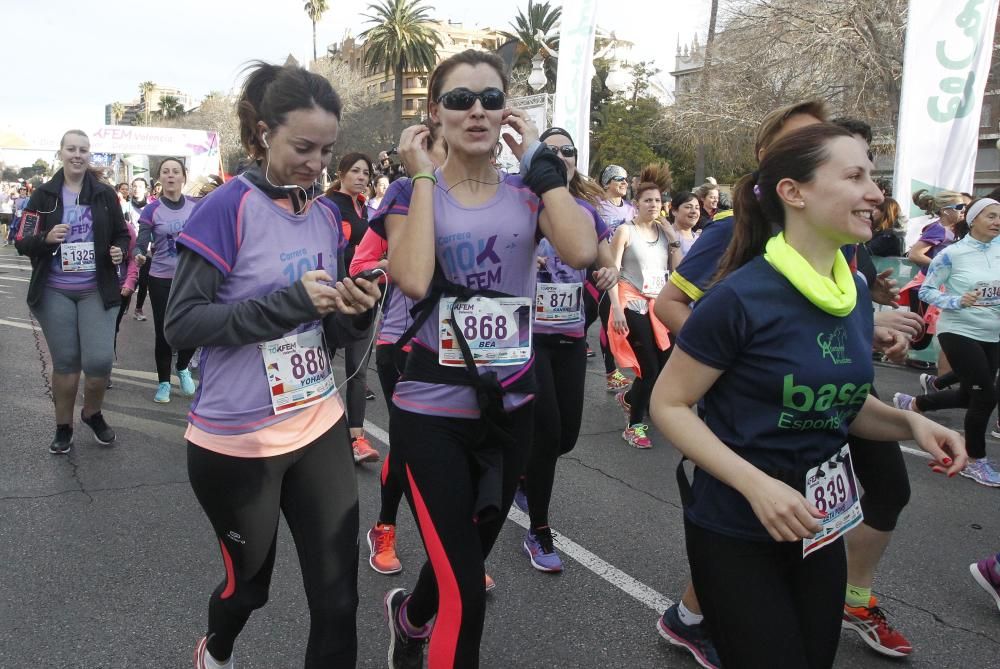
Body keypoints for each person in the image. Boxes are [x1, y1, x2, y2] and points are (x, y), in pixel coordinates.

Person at [650, 122, 966, 669]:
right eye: (854, 175)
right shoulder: (739, 298)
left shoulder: (855, 296)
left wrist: (911, 424)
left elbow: (841, 403)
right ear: (794, 193)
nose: (875, 191)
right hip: (738, 524)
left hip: (821, 522)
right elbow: (668, 405)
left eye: (873, 174)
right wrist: (758, 486)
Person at [370, 49, 597, 668]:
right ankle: (427, 624)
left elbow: (580, 250)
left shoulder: (530, 193)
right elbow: (413, 278)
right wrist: (420, 175)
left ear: (509, 112)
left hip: (510, 407)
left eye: (491, 99)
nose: (477, 111)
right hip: (431, 409)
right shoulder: (410, 193)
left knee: (465, 558)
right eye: (460, 100)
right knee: (467, 595)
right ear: (434, 115)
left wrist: (539, 162)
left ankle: (411, 619)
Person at [163, 61, 381, 669]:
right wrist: (287, 304)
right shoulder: (225, 208)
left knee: (339, 601)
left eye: (327, 150)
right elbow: (182, 324)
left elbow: (330, 329)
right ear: (263, 134)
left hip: (316, 426)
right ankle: (218, 648)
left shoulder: (325, 215)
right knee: (249, 588)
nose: (316, 164)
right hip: (237, 443)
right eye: (303, 147)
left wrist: (356, 311)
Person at [516, 125, 615, 571]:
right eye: (549, 151)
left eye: (567, 151)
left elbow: (603, 258)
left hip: (571, 334)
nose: (559, 157)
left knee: (566, 437)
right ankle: (538, 531)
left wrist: (608, 272)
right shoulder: (519, 204)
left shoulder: (586, 210)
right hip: (527, 337)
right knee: (549, 431)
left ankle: (525, 470)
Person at [15, 129, 131, 453]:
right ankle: (62, 426)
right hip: (55, 291)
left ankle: (92, 413)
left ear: (89, 154)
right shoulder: (43, 195)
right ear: (61, 153)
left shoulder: (105, 195)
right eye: (71, 149)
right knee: (65, 364)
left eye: (83, 149)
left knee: (99, 363)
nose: (77, 155)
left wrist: (119, 250)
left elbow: (123, 235)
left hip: (96, 289)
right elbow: (22, 241)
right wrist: (47, 237)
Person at [893, 198, 1000, 487]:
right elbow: (926, 291)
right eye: (990, 216)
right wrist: (956, 300)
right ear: (974, 219)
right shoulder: (952, 254)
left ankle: (913, 403)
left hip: (993, 333)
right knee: (986, 397)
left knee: (969, 396)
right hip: (959, 331)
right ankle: (975, 461)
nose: (997, 221)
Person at [607, 164, 678, 448]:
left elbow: (678, 273)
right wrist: (615, 309)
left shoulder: (664, 234)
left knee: (663, 366)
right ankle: (634, 426)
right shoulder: (626, 231)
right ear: (636, 204)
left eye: (658, 200)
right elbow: (612, 270)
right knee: (648, 368)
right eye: (647, 200)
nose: (653, 205)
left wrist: (673, 239)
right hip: (631, 300)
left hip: (658, 305)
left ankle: (628, 397)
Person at [324, 152, 381, 462]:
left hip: (362, 298)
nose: (361, 176)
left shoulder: (365, 208)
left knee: (357, 372)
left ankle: (356, 439)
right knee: (320, 368)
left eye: (366, 172)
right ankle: (313, 429)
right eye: (355, 171)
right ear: (341, 172)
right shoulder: (329, 205)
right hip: (332, 299)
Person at [133, 158, 199, 403]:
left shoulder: (195, 206)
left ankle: (182, 367)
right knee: (163, 332)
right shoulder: (152, 210)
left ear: (184, 176)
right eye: (165, 172)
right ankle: (163, 383)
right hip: (160, 278)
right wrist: (138, 254)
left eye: (175, 171)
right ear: (159, 178)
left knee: (194, 328)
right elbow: (141, 242)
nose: (171, 175)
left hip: (191, 278)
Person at [594, 164, 636, 393]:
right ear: (607, 182)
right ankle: (611, 373)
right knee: (605, 318)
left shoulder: (631, 210)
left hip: (623, 272)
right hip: (600, 271)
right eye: (619, 178)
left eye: (626, 179)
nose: (624, 182)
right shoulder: (597, 207)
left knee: (600, 316)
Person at [127, 177, 152, 321]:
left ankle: (138, 309)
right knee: (129, 279)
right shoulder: (125, 206)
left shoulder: (152, 207)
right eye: (134, 186)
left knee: (143, 281)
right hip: (129, 249)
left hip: (145, 250)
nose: (137, 189)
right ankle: (124, 302)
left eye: (140, 186)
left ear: (146, 189)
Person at [668, 191, 701, 257]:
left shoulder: (700, 240)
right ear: (674, 211)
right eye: (688, 207)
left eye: (697, 208)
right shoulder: (665, 236)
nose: (694, 211)